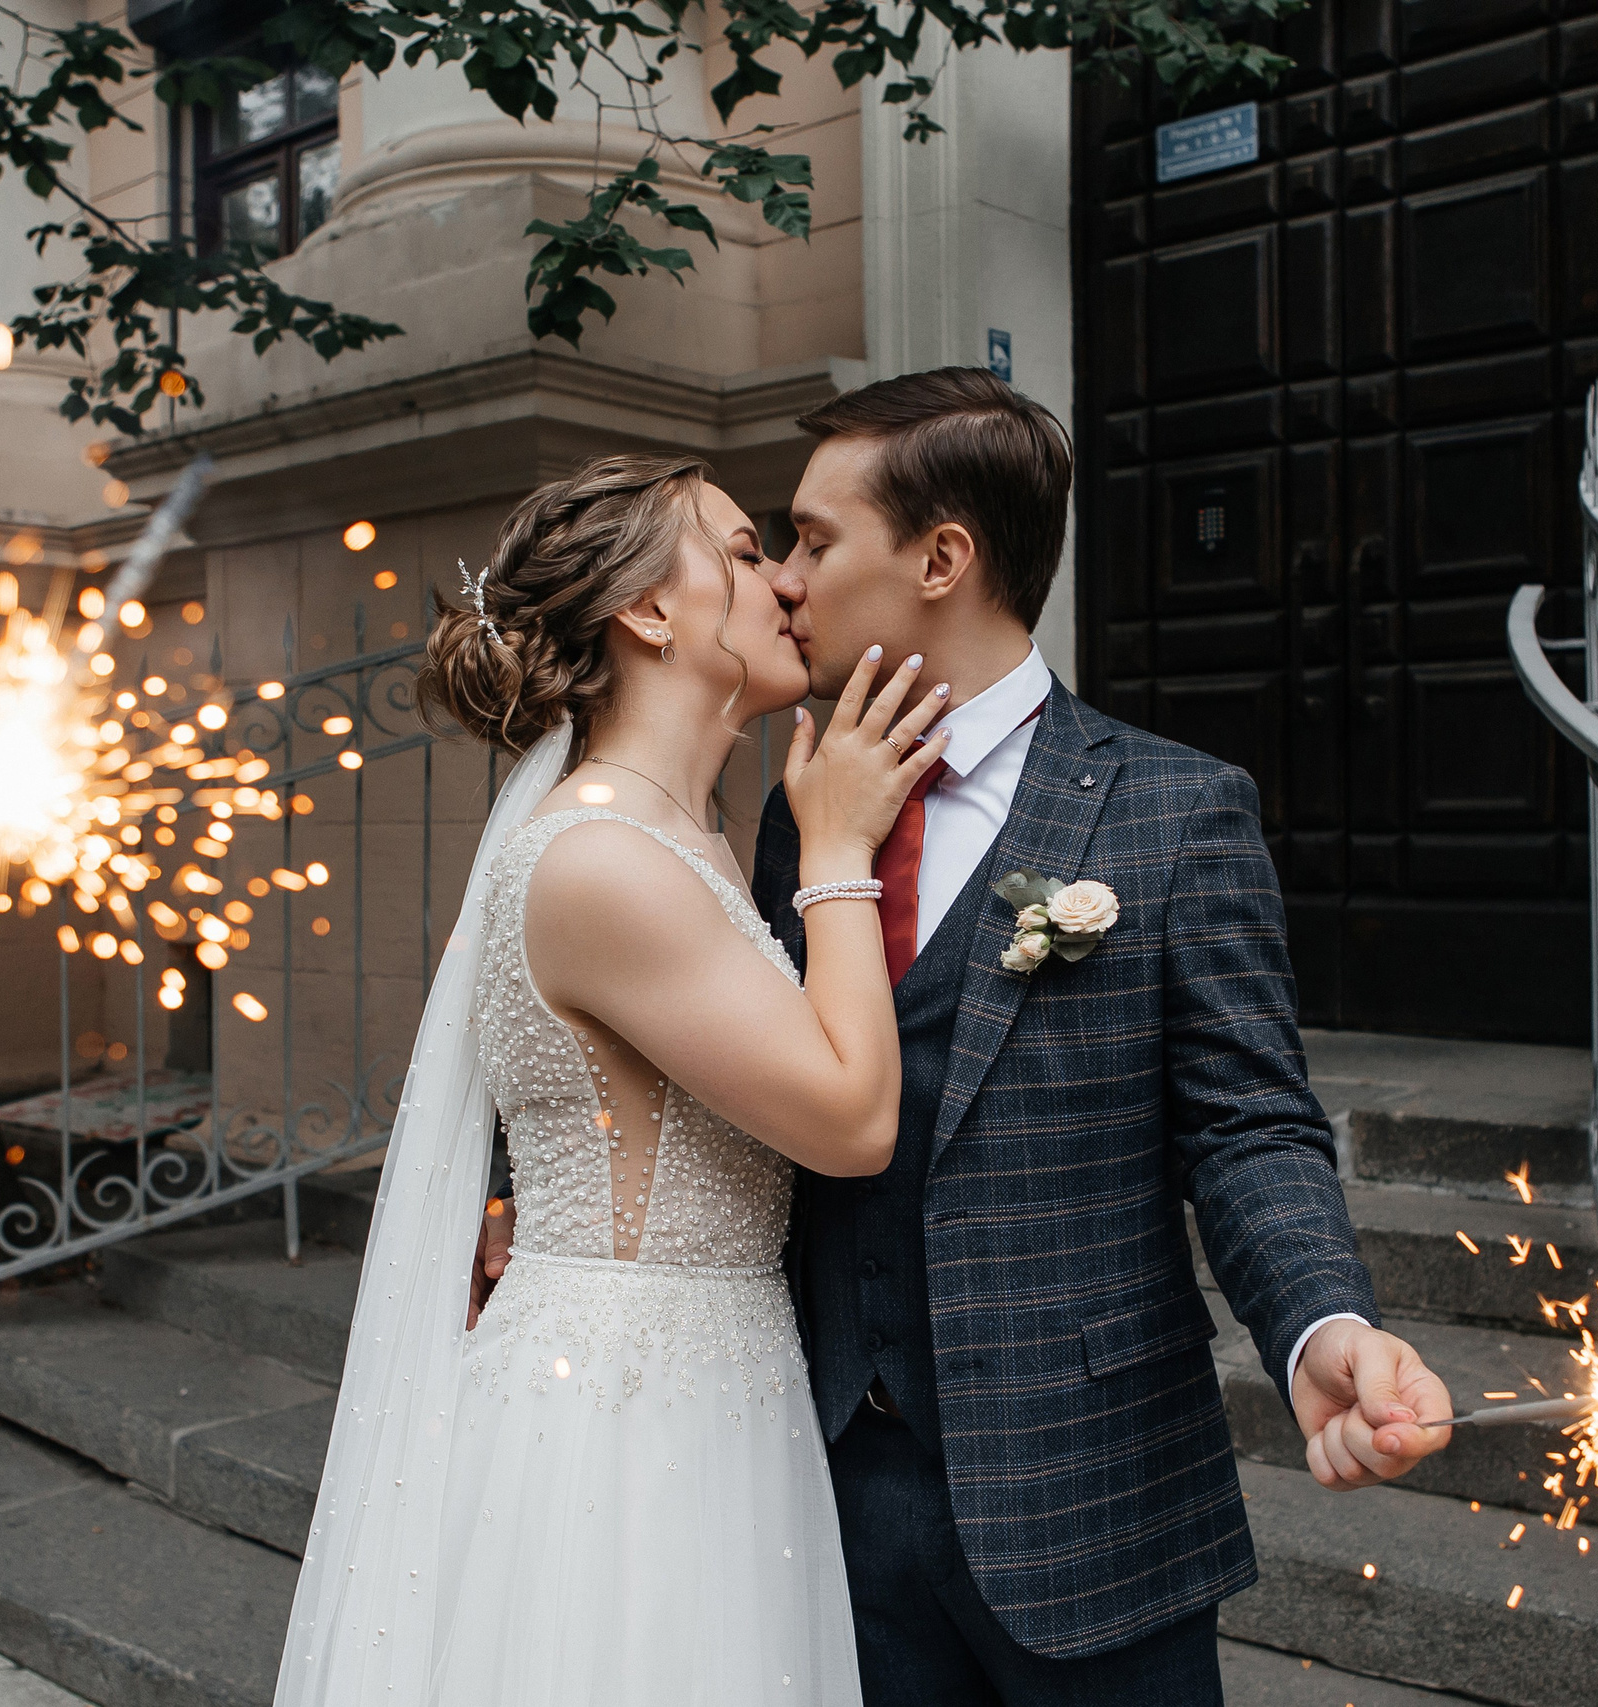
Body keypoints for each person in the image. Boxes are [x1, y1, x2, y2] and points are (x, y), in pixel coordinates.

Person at [749, 368, 1452, 1705]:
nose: (786, 576)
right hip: (839, 1473)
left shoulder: (1177, 811)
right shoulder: (801, 808)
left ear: (943, 557)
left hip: (1092, 1495)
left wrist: (1321, 1322)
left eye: (815, 540)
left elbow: (1248, 1123)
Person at [273, 452, 944, 1707]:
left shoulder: (681, 837)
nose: (784, 585)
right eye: (745, 553)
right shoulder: (602, 861)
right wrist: (843, 853)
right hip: (624, 1423)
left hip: (714, 1376)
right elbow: (852, 1121)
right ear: (647, 610)